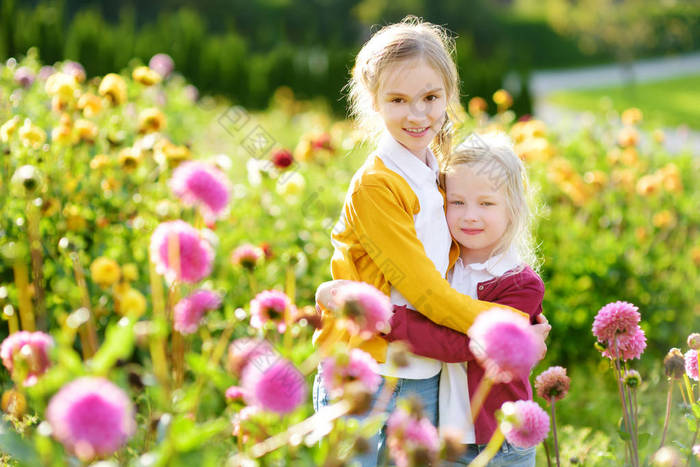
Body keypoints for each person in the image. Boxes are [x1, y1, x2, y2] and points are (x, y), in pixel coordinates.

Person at [311, 16, 547, 466]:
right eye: (398, 100)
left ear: (447, 97)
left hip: (424, 374)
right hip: (366, 366)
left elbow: (463, 267)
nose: (417, 114)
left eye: (430, 98)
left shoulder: (440, 177)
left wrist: (520, 317)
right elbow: (426, 293)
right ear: (373, 101)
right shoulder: (378, 185)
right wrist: (509, 329)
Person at [385, 132, 545, 466]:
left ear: (513, 209)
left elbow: (463, 345)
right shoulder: (440, 265)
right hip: (451, 438)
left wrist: (390, 320)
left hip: (501, 440)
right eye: (457, 202)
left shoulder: (520, 283)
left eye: (486, 203)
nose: (469, 215)